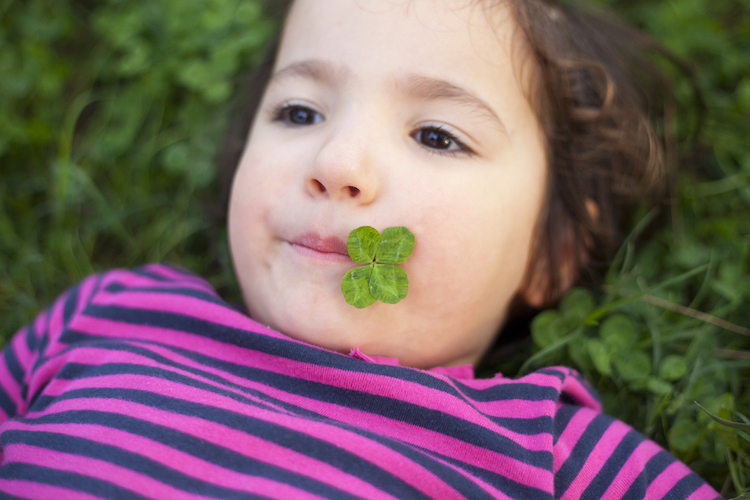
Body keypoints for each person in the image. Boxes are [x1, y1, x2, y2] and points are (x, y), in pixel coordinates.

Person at [0, 0, 723, 498]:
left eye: (436, 135)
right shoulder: (112, 314)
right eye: (299, 111)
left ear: (551, 252)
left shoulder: (550, 454)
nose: (338, 161)